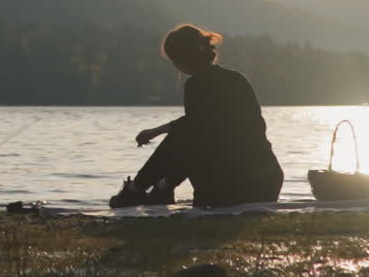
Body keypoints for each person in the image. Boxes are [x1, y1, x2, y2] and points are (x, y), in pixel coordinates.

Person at [109, 23, 283, 209]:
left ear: (180, 60)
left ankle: (137, 190)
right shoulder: (237, 78)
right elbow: (205, 127)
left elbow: (193, 129)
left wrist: (156, 131)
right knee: (191, 138)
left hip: (237, 187)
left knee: (184, 137)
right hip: (268, 180)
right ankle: (161, 187)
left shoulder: (197, 84)